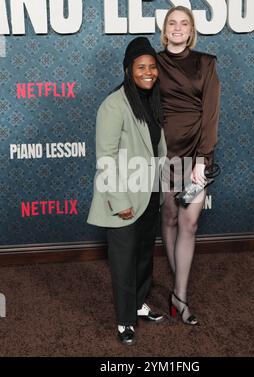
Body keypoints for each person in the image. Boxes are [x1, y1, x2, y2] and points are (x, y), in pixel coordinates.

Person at [87, 37, 167, 345]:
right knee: (123, 261)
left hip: (149, 195)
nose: (148, 72)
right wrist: (119, 201)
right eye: (140, 67)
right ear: (127, 70)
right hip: (122, 197)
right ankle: (124, 321)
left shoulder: (154, 100)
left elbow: (158, 149)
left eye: (152, 66)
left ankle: (138, 303)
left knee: (144, 256)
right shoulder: (113, 105)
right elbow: (105, 158)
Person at [157, 6, 221, 325]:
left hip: (195, 156)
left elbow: (210, 114)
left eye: (184, 23)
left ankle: (179, 296)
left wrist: (202, 158)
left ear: (191, 29)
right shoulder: (152, 63)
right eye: (173, 23)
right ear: (165, 29)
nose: (178, 28)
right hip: (164, 154)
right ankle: (175, 276)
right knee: (168, 216)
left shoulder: (206, 63)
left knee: (189, 223)